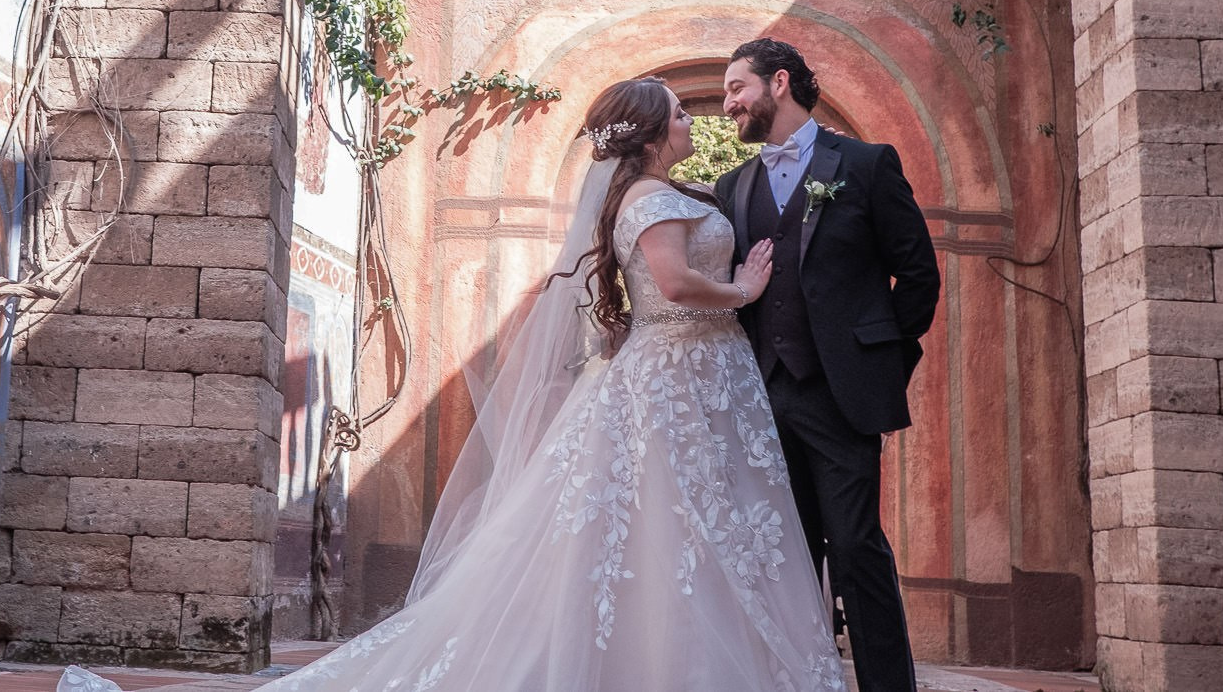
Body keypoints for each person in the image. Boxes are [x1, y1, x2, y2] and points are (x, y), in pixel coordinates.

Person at [225, 75, 848, 692]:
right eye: (680, 113)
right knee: (676, 516)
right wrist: (743, 289)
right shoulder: (651, 201)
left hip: (702, 372)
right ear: (653, 131)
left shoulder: (661, 192)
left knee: (694, 518)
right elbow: (676, 284)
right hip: (678, 376)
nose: (690, 121)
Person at [716, 37, 942, 692]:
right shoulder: (734, 186)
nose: (729, 102)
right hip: (762, 395)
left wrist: (873, 363)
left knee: (854, 549)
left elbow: (919, 278)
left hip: (840, 399)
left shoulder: (866, 165)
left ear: (778, 83)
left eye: (737, 87)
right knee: (783, 557)